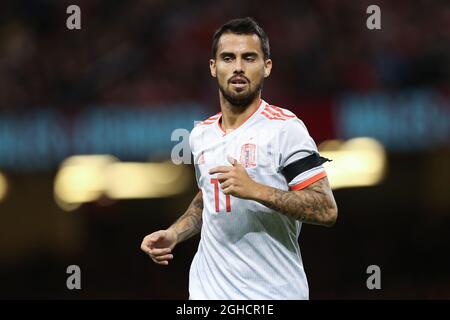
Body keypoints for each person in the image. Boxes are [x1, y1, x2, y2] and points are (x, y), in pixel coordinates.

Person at [140, 17, 338, 300]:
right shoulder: (200, 134)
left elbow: (325, 209)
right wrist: (174, 234)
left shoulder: (286, 129)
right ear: (213, 67)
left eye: (249, 58)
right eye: (228, 58)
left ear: (266, 66)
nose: (238, 67)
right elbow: (208, 196)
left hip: (273, 295)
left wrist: (256, 190)